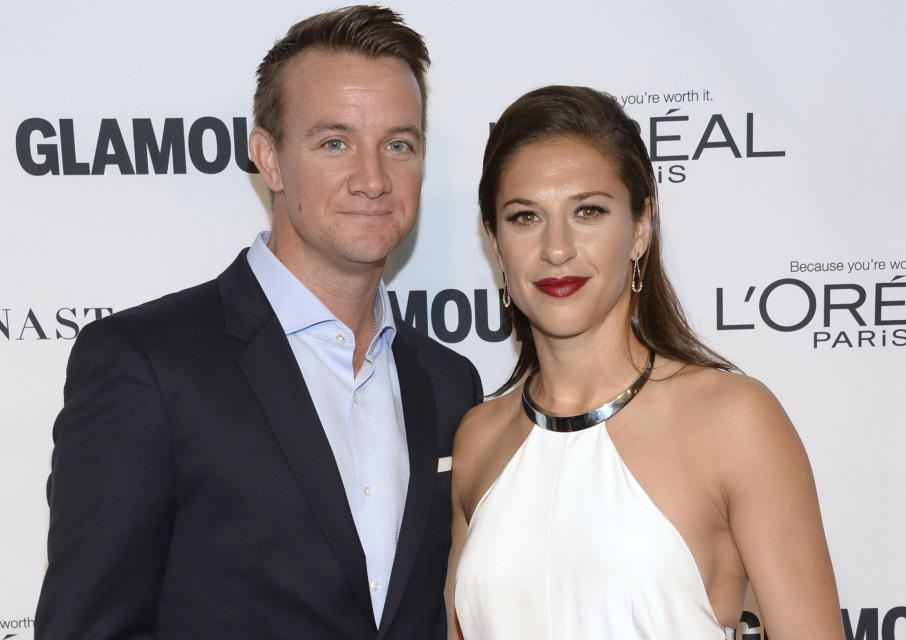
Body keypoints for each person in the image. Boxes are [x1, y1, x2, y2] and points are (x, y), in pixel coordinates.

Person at [35, 6, 481, 639]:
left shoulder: (448, 382)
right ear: (268, 158)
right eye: (335, 142)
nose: (373, 178)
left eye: (398, 144)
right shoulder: (146, 364)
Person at [445, 86, 843, 639]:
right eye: (524, 217)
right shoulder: (478, 438)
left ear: (639, 228)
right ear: (494, 239)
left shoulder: (734, 420)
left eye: (588, 211)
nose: (556, 247)